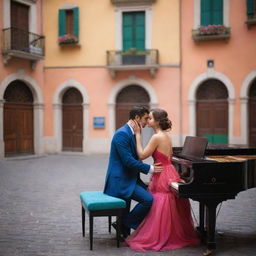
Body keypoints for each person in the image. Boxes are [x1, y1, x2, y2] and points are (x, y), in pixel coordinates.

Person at [126, 108, 200, 252]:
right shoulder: (166, 135)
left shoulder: (157, 137)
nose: (148, 121)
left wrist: (137, 135)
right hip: (169, 171)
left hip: (161, 174)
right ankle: (170, 233)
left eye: (151, 118)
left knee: (160, 204)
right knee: (169, 203)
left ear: (158, 122)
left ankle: (160, 235)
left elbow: (141, 155)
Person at [103, 106, 163, 238]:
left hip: (131, 178)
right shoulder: (122, 134)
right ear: (136, 117)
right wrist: (150, 169)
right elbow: (128, 161)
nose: (147, 122)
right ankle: (124, 223)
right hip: (121, 181)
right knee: (148, 200)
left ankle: (123, 225)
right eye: (146, 118)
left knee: (152, 192)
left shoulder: (134, 132)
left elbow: (137, 156)